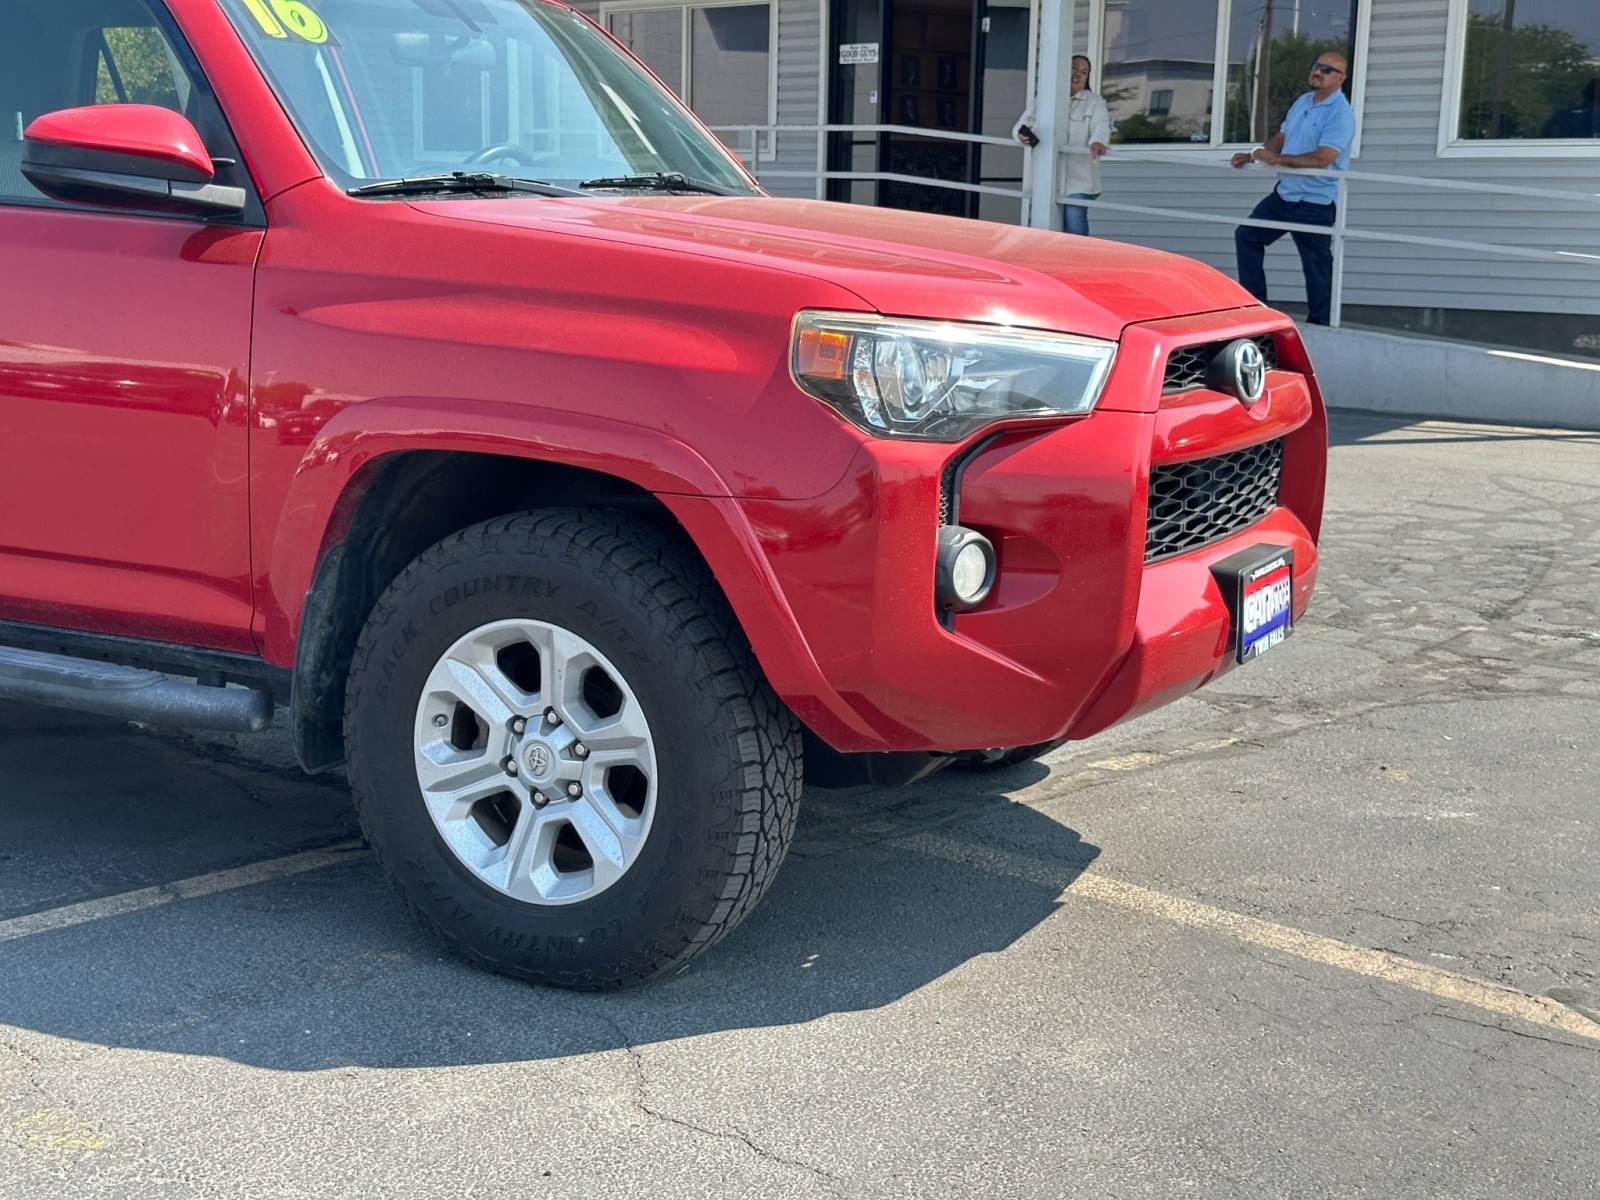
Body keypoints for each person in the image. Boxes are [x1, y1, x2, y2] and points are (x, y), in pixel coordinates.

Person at [1231, 52, 1356, 325]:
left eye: (1326, 69)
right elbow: (1283, 135)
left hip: (1315, 203)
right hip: (1284, 195)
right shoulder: (1303, 101)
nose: (1318, 72)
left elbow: (1322, 159)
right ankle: (1255, 311)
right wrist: (1256, 154)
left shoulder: (1341, 114)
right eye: (1315, 67)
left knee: (1317, 267)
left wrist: (1278, 159)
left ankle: (1320, 324)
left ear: (1341, 78)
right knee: (1247, 236)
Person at [1015, 55, 1111, 236]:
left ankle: (1077, 262)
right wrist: (1021, 136)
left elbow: (1101, 126)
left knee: (1074, 219)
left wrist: (1097, 141)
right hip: (1047, 178)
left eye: (1084, 72)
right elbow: (1021, 125)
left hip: (1079, 180)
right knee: (1045, 227)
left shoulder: (1094, 102)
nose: (1078, 74)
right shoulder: (1045, 99)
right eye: (1074, 68)